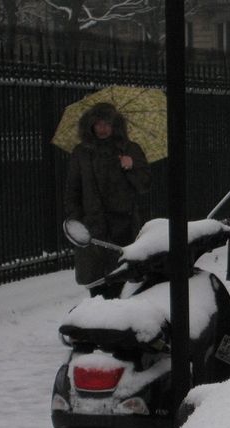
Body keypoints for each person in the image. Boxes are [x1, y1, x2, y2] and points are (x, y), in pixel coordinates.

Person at [63, 102, 151, 298]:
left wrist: (131, 167)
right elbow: (73, 190)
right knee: (97, 284)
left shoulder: (130, 149)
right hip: (93, 229)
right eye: (98, 124)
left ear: (115, 125)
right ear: (91, 125)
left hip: (124, 227)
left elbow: (144, 185)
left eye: (107, 124)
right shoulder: (81, 153)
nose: (102, 128)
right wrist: (78, 222)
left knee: (124, 281)